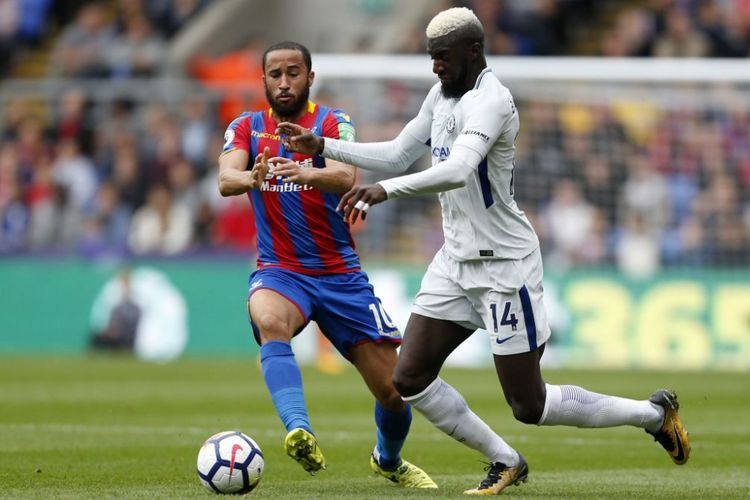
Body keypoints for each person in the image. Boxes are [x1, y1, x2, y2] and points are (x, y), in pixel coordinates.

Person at [276, 7, 691, 495]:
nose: (435, 67)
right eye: (431, 58)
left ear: (473, 51)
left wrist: (386, 191)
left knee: (528, 405)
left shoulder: (492, 102)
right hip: (454, 262)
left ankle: (653, 414)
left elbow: (457, 170)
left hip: (504, 267)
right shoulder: (440, 96)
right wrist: (322, 144)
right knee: (408, 376)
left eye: (443, 57)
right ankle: (505, 459)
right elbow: (396, 152)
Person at [217, 40, 436, 488]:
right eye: (274, 74)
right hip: (281, 271)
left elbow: (344, 175)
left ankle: (388, 459)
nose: (283, 82)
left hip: (340, 275)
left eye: (293, 73)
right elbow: (226, 178)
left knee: (395, 392)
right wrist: (251, 178)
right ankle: (299, 428)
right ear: (263, 80)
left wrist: (306, 172)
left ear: (310, 77)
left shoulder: (334, 122)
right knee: (270, 320)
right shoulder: (246, 127)